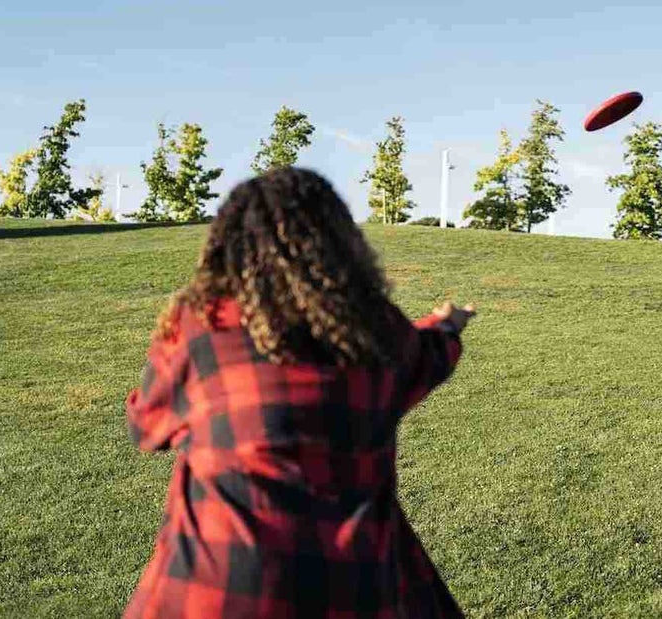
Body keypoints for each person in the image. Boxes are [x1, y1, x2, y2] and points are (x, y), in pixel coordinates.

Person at [123, 168, 474, 618]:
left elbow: (146, 429)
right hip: (355, 591)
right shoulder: (378, 333)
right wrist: (446, 325)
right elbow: (424, 355)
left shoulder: (202, 328)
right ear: (341, 243)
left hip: (215, 592)